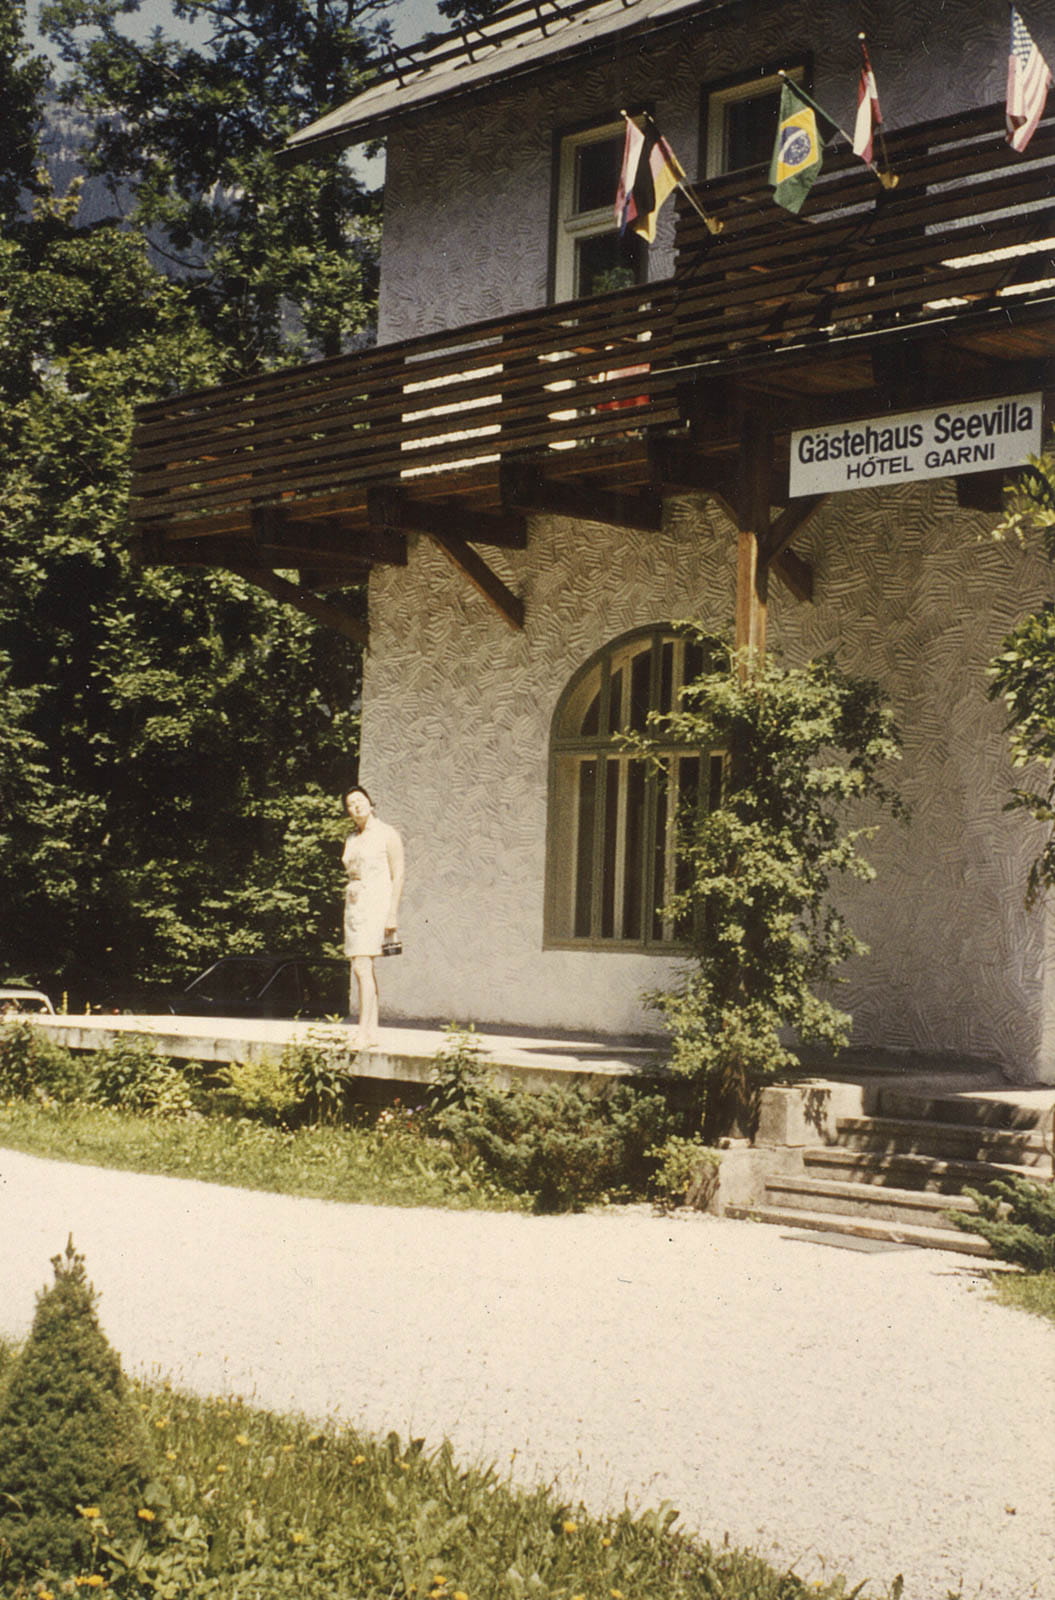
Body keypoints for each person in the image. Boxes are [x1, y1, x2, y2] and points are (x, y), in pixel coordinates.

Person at [342, 785, 404, 1048]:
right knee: (361, 968)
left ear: (370, 802)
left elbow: (398, 873)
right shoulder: (351, 839)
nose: (357, 806)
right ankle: (372, 1031)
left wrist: (392, 913)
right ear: (348, 811)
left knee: (362, 966)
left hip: (376, 904)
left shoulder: (387, 834)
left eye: (360, 800)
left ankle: (363, 1031)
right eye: (351, 803)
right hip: (355, 905)